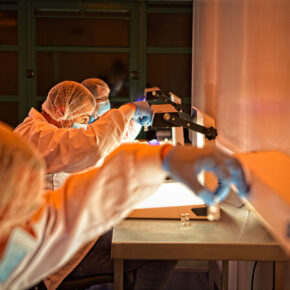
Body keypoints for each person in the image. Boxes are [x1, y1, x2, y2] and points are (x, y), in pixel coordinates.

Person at [0, 122, 248, 290]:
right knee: (157, 252)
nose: (29, 226)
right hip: (67, 265)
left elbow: (72, 210)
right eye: (20, 211)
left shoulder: (15, 239)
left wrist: (162, 159)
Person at [81, 77, 142, 142]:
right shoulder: (78, 124)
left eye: (107, 97)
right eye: (103, 99)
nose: (106, 102)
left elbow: (122, 137)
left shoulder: (98, 119)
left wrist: (136, 121)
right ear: (89, 100)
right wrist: (130, 109)